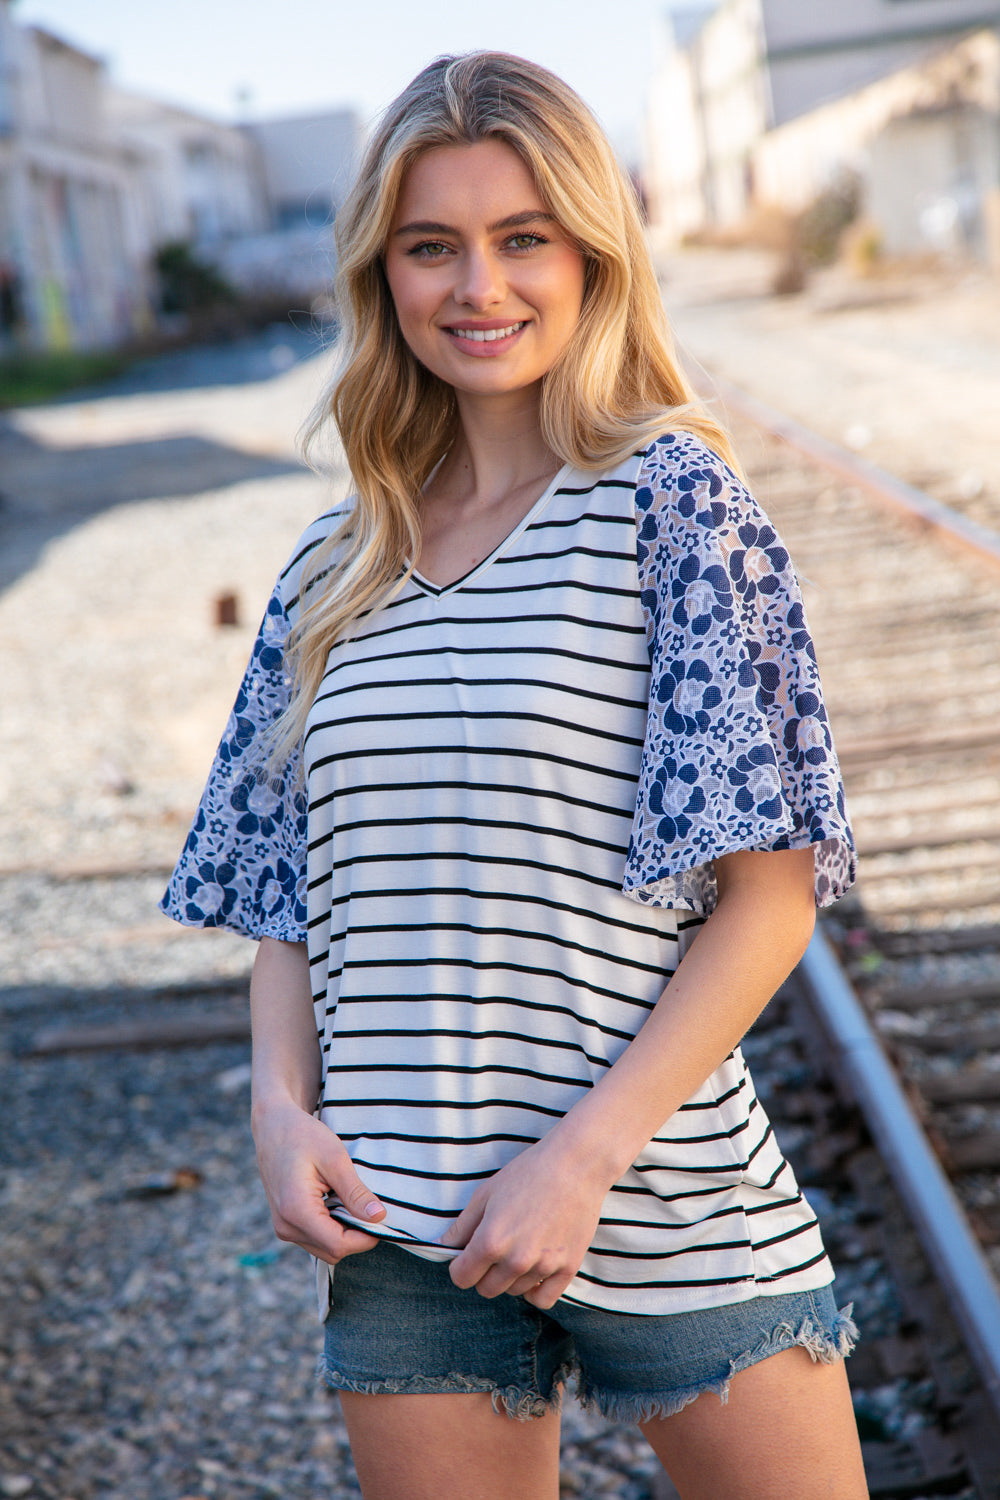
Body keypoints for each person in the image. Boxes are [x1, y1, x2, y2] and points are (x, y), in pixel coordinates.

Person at [162, 51, 869, 1500]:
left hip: (664, 1203)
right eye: (433, 246)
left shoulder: (672, 505)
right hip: (403, 1234)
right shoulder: (329, 570)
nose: (478, 286)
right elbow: (287, 900)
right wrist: (280, 1112)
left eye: (520, 238)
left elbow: (772, 899)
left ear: (590, 256)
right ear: (384, 274)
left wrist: (581, 1166)